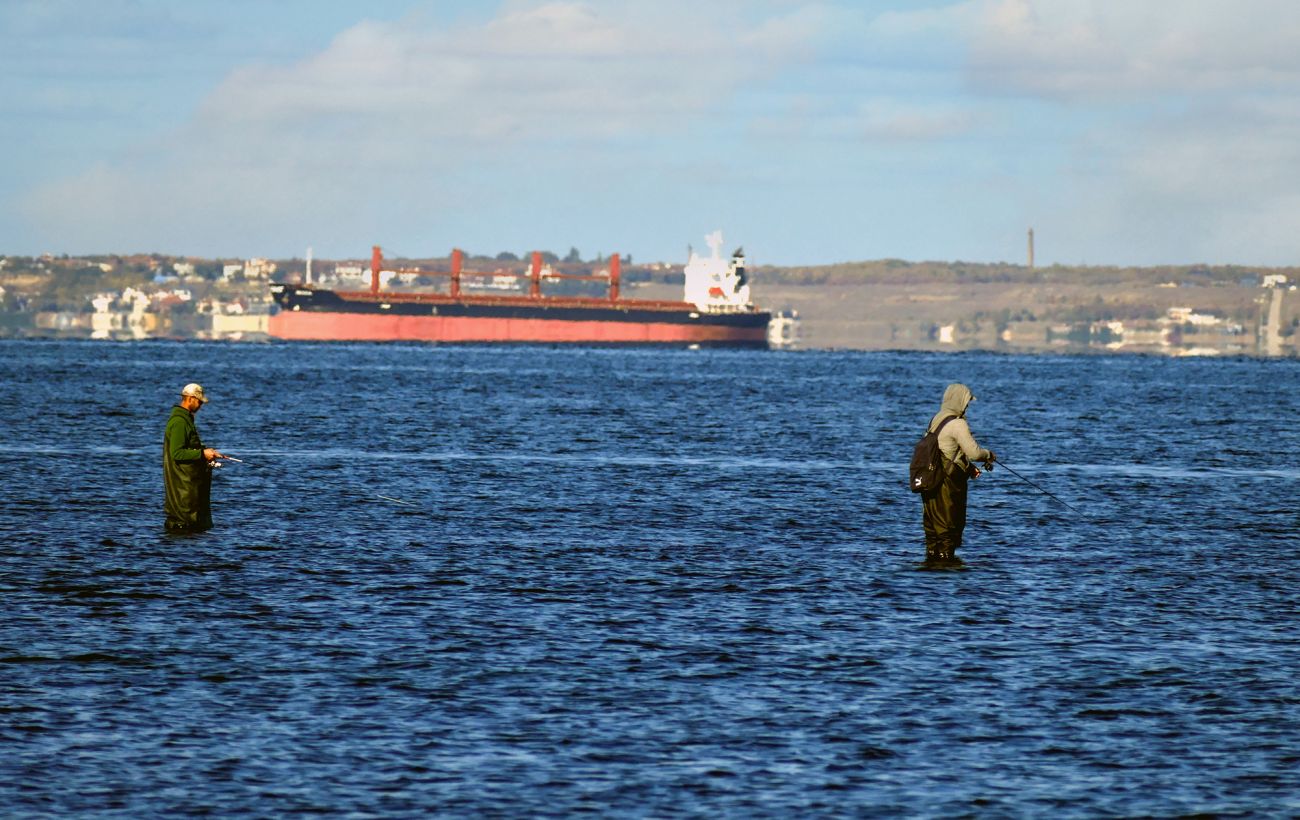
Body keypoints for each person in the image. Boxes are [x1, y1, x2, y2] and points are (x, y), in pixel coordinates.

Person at [920, 383, 995, 568]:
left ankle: (932, 561)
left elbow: (945, 450)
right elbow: (974, 452)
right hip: (948, 482)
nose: (967, 406)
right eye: (967, 401)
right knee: (949, 524)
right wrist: (989, 455)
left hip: (930, 479)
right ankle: (947, 567)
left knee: (933, 526)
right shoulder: (958, 423)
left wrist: (969, 469)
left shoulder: (936, 419)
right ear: (959, 400)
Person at [163, 383, 224, 533]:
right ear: (190, 399)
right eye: (199, 401)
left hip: (189, 488)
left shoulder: (186, 419)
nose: (201, 405)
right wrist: (203, 454)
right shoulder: (179, 422)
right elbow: (176, 453)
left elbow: (189, 448)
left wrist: (206, 453)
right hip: (182, 490)